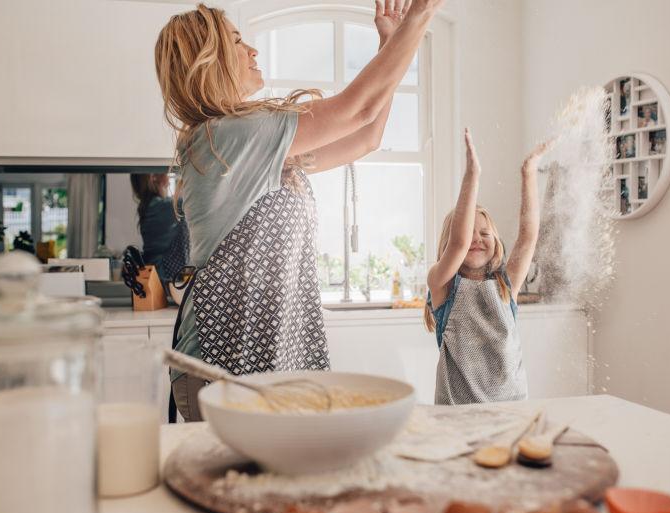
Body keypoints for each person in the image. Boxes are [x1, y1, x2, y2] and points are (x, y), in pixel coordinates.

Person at [155, 0, 445, 421]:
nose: (253, 51)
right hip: (220, 366)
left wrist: (391, 41)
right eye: (238, 41)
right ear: (211, 60)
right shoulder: (230, 136)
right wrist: (419, 17)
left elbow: (366, 136)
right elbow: (358, 109)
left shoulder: (243, 142)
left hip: (258, 360)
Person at [424, 128, 552, 404]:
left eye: (485, 233)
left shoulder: (505, 285)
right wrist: (472, 176)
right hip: (459, 413)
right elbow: (458, 245)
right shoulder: (442, 284)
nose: (477, 239)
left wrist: (528, 172)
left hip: (512, 407)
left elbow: (528, 238)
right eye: (470, 231)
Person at [129, 173, 189, 299]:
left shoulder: (152, 205)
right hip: (163, 281)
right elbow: (189, 201)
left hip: (164, 281)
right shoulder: (159, 206)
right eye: (166, 171)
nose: (169, 174)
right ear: (153, 176)